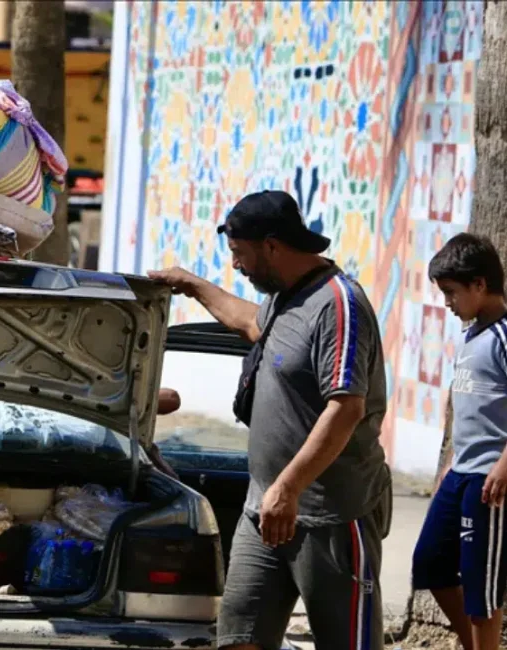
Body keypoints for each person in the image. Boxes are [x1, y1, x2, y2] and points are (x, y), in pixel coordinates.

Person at [150, 190, 391, 650]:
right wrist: (191, 284)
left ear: (273, 246)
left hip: (331, 515)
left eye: (240, 254)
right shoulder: (287, 299)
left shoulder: (339, 305)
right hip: (264, 511)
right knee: (239, 637)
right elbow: (250, 323)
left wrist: (289, 487)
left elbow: (347, 408)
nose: (236, 266)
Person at [411, 233, 507, 650]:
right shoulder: (472, 335)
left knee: (482, 593)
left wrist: (504, 464)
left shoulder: (504, 335)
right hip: (461, 474)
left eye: (452, 292)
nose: (447, 302)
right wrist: (451, 461)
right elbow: (466, 406)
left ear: (480, 285)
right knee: (429, 563)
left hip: (491, 480)